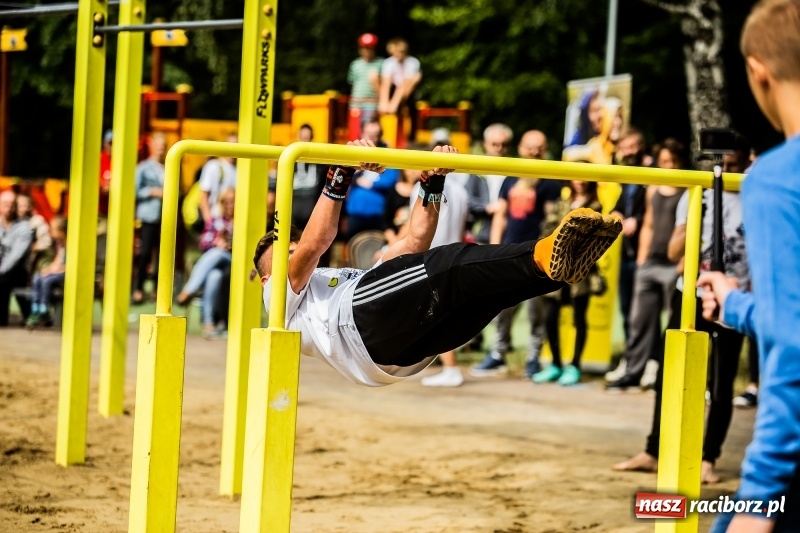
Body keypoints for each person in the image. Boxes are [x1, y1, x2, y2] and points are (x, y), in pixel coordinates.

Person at [254, 140, 622, 387]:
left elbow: (415, 241)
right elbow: (317, 241)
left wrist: (431, 182)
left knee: (485, 294)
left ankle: (559, 268)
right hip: (359, 328)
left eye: (293, 247)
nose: (295, 253)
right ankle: (542, 255)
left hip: (402, 351)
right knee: (452, 263)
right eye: (285, 254)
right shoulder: (278, 300)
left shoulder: (340, 280)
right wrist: (341, 172)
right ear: (265, 276)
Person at [697, 1, 800, 530]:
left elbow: (794, 346)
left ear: (758, 70)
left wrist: (759, 497)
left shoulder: (778, 178)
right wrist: (738, 305)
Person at [613, 141, 751, 486]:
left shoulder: (755, 196)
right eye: (721, 163)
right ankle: (653, 449)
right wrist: (691, 222)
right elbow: (673, 250)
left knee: (721, 382)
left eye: (733, 163)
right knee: (668, 373)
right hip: (689, 293)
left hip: (734, 297)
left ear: (747, 162)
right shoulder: (698, 194)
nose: (726, 170)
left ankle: (708, 458)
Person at [470, 130, 562, 378]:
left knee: (535, 312)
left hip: (537, 254)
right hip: (509, 251)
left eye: (539, 147)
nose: (534, 151)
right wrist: (493, 248)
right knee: (502, 307)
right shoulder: (510, 178)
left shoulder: (550, 182)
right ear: (520, 148)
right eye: (530, 147)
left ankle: (533, 358)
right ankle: (498, 353)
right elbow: (500, 216)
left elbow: (552, 221)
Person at [605, 138, 686, 392]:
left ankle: (664, 375)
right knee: (639, 321)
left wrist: (684, 261)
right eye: (664, 162)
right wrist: (641, 260)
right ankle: (633, 371)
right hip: (650, 262)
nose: (669, 167)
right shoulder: (653, 188)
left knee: (673, 325)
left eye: (673, 162)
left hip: (674, 266)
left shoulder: (689, 188)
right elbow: (649, 225)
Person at [532, 180, 604, 386]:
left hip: (582, 271)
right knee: (550, 317)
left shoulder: (596, 206)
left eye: (583, 179)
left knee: (579, 318)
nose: (579, 182)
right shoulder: (561, 202)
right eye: (576, 178)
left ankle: (575, 365)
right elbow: (547, 228)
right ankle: (555, 364)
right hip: (556, 268)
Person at [604, 127, 648, 382]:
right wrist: (618, 214)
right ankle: (632, 359)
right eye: (625, 148)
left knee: (644, 314)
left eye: (632, 147)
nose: (629, 152)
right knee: (627, 311)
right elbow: (620, 206)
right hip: (627, 255)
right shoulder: (626, 178)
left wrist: (638, 221)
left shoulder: (652, 173)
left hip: (646, 254)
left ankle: (649, 361)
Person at [175, 188, 235, 339]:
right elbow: (203, 243)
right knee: (214, 276)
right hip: (215, 263)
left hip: (234, 260)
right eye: (226, 201)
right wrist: (217, 241)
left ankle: (189, 290)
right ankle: (209, 324)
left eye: (233, 201)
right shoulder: (216, 220)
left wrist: (229, 245)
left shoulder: (242, 221)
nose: (230, 205)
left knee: (217, 253)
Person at [343, 120, 400, 239]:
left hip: (378, 214)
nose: (372, 137)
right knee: (353, 250)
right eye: (368, 134)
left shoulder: (387, 154)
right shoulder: (354, 152)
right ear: (362, 133)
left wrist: (369, 183)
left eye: (376, 134)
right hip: (355, 213)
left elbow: (391, 180)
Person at [132, 132, 167, 305]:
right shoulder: (143, 168)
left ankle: (156, 290)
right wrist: (152, 192)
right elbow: (134, 191)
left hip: (165, 218)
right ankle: (137, 288)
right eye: (159, 145)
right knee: (145, 253)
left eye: (164, 145)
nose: (161, 148)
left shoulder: (170, 166)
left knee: (162, 256)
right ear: (151, 146)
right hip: (148, 217)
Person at [25, 216, 67, 329]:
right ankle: (35, 308)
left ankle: (44, 308)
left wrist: (57, 269)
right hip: (58, 270)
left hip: (65, 272)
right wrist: (49, 269)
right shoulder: (59, 244)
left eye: (53, 229)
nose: (51, 232)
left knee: (47, 280)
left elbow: (70, 265)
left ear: (62, 232)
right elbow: (57, 261)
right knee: (37, 277)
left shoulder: (70, 245)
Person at [0, 190, 34, 326]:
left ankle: (1, 319)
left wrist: (0, 270)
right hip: (2, 268)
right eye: (5, 204)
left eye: (12, 204)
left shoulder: (24, 228)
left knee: (1, 281)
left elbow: (15, 257)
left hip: (17, 271)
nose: (8, 208)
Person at [378, 37, 422, 137]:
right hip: (393, 90)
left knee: (413, 79)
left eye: (401, 52)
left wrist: (395, 102)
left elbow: (408, 82)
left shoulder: (412, 62)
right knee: (394, 85)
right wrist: (384, 101)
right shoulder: (389, 62)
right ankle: (387, 105)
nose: (398, 55)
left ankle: (394, 105)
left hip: (408, 92)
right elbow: (386, 83)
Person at [290, 124, 328, 229]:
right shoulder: (289, 161)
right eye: (302, 138)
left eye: (307, 138)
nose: (304, 142)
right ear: (298, 137)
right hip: (293, 214)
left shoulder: (320, 163)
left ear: (312, 138)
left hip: (313, 214)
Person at [198, 133, 238, 225]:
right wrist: (209, 223)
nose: (234, 149)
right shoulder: (213, 166)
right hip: (215, 220)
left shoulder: (240, 170)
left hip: (232, 224)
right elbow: (203, 197)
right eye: (231, 145)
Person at [348, 33, 384, 131]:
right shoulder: (355, 64)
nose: (366, 50)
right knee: (355, 133)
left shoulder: (381, 63)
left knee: (369, 131)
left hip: (372, 104)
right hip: (356, 104)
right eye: (364, 47)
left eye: (369, 48)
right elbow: (353, 84)